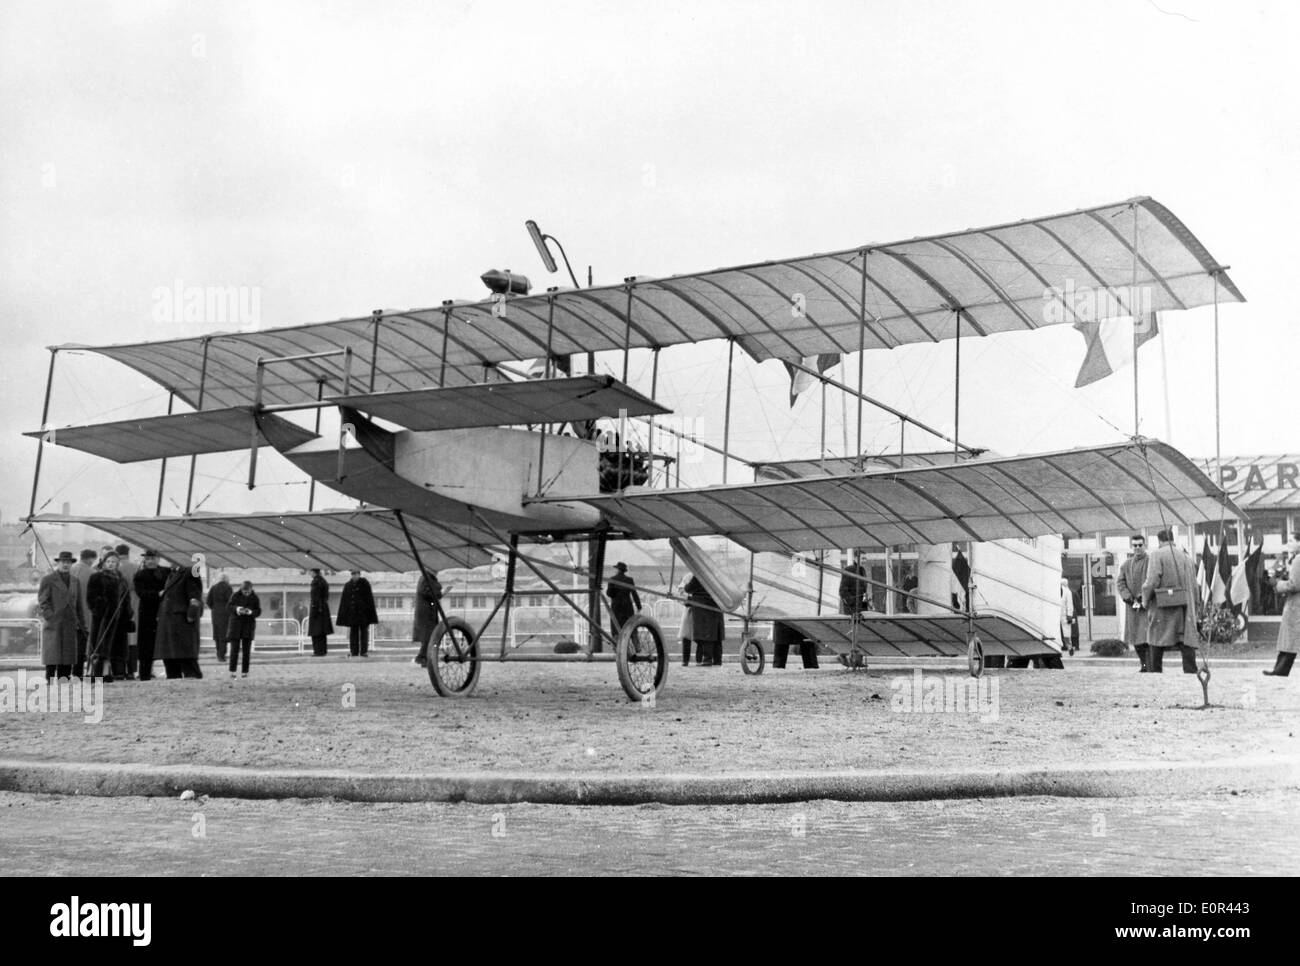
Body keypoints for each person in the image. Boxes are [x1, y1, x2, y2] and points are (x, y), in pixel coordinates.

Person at [1140, 528, 1201, 674]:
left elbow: (1152, 581)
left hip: (1163, 608)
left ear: (1159, 541)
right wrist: (1196, 605)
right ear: (1173, 539)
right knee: (1186, 641)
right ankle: (1191, 672)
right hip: (1185, 607)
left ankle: (1154, 673)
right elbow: (1195, 585)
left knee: (1156, 639)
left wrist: (1145, 600)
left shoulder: (1157, 555)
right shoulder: (1186, 557)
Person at [86, 550, 133, 682]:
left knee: (113, 647)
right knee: (98, 646)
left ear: (118, 563)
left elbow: (126, 599)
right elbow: (91, 598)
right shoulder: (97, 577)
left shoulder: (121, 579)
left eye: (114, 562)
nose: (111, 564)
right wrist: (101, 608)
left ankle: (107, 672)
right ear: (104, 562)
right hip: (102, 618)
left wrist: (128, 614)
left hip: (118, 619)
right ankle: (93, 673)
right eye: (109, 561)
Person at [38, 551, 85, 680]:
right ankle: (49, 679)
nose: (65, 565)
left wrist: (82, 624)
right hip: (54, 623)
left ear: (71, 564)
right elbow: (43, 601)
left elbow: (79, 605)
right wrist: (50, 616)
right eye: (63, 562)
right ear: (58, 563)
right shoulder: (48, 580)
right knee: (53, 655)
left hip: (70, 623)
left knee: (67, 656)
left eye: (68, 562)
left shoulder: (75, 581)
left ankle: (64, 679)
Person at [157, 560, 204, 679]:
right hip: (169, 621)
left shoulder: (189, 572)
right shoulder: (172, 573)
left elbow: (195, 597)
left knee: (186, 659)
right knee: (171, 660)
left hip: (182, 622)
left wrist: (191, 615)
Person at [1265, 534, 1300, 677]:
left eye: (1291, 541)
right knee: (1289, 638)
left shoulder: (1298, 559)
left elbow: (1295, 585)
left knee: (1289, 637)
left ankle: (1280, 670)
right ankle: (1280, 669)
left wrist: (1277, 583)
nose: (1288, 544)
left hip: (1296, 605)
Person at [1116, 533, 1151, 671]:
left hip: (1147, 606)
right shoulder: (1126, 565)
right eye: (1135, 545)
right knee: (1136, 639)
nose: (1137, 548)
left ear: (1145, 545)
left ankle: (1150, 665)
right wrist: (1129, 599)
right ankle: (1143, 664)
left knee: (1148, 638)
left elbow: (1153, 580)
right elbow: (1120, 583)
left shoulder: (1151, 561)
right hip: (1133, 607)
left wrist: (1144, 597)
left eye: (1140, 545)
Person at [133, 549, 167, 680]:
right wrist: (157, 594)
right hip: (147, 612)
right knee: (146, 645)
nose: (150, 561)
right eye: (148, 559)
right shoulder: (140, 575)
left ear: (158, 559)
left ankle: (171, 671)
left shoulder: (165, 572)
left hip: (163, 611)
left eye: (153, 558)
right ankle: (145, 673)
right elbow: (141, 593)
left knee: (164, 642)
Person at [337, 569, 378, 657]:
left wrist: (368, 613)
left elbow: (369, 600)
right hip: (353, 614)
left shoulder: (365, 584)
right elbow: (345, 600)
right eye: (353, 574)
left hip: (363, 614)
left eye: (356, 574)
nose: (354, 576)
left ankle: (363, 651)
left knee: (364, 632)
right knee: (353, 633)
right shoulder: (348, 585)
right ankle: (354, 651)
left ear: (359, 574)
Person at [684, 574, 723, 667]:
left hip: (702, 607)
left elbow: (688, 588)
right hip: (716, 606)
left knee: (705, 635)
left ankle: (707, 659)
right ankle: (717, 660)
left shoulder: (699, 574)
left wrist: (686, 584)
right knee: (716, 635)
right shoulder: (716, 575)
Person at [69, 549, 97, 678]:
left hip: (70, 613)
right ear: (91, 559)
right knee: (86, 644)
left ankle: (69, 672)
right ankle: (84, 671)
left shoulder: (71, 569)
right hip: (87, 613)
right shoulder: (92, 572)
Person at [226, 579, 262, 678]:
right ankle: (232, 671)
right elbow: (228, 607)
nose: (246, 594)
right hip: (236, 625)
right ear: (241, 590)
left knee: (247, 651)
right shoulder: (235, 595)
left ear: (251, 590)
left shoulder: (255, 598)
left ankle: (245, 672)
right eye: (244, 592)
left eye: (248, 592)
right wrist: (237, 609)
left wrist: (251, 612)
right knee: (234, 650)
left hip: (248, 626)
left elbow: (258, 611)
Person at [115, 545, 140, 678]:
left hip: (118, 603)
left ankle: (119, 670)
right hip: (134, 601)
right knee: (133, 638)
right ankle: (131, 670)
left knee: (119, 637)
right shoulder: (135, 567)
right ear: (128, 553)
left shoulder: (115, 566)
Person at [412, 569, 443, 667]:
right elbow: (428, 592)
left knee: (428, 637)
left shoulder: (425, 578)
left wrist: (437, 591)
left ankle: (423, 658)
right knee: (429, 637)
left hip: (428, 612)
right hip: (427, 613)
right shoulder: (426, 579)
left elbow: (430, 592)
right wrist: (438, 590)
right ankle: (422, 658)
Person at [605, 562, 642, 642]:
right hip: (627, 607)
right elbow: (634, 594)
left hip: (616, 607)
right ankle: (636, 646)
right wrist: (639, 606)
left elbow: (609, 593)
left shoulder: (612, 579)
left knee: (616, 628)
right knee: (630, 627)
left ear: (618, 569)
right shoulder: (629, 580)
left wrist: (615, 591)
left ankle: (618, 646)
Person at [206, 572, 233, 663]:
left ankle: (218, 653)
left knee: (217, 634)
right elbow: (231, 601)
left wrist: (214, 608)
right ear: (226, 579)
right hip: (225, 614)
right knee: (223, 635)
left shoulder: (213, 588)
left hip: (215, 613)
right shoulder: (228, 588)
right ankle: (222, 655)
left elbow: (208, 601)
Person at [307, 569, 333, 656]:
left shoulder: (315, 582)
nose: (310, 573)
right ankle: (323, 650)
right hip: (324, 609)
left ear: (314, 572)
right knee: (322, 633)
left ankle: (317, 651)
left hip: (317, 610)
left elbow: (315, 597)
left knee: (315, 632)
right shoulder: (323, 581)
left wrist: (314, 609)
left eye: (310, 572)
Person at [1058, 578, 1079, 656]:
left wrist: (1069, 616)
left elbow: (1070, 605)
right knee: (1066, 634)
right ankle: (1069, 647)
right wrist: (1069, 615)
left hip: (1062, 615)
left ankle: (1068, 648)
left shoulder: (1067, 592)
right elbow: (1070, 605)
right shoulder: (1067, 591)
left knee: (1063, 633)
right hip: (1063, 615)